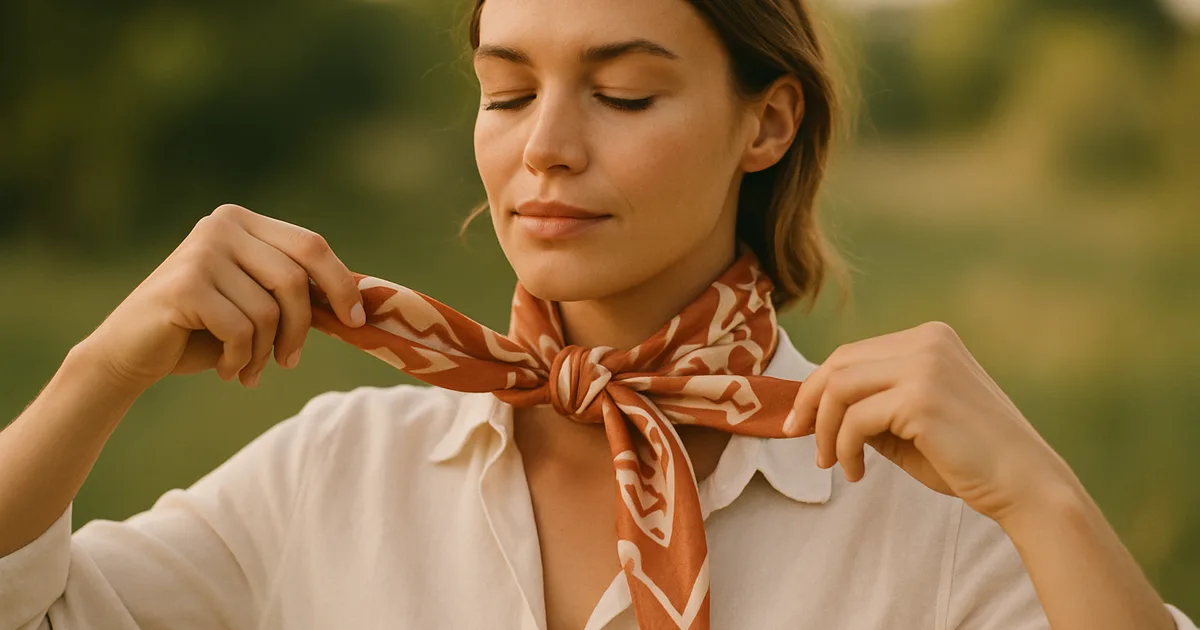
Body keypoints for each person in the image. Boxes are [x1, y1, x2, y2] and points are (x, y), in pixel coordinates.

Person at [0, 0, 1195, 628]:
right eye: (507, 91)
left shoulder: (923, 512)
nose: (547, 150)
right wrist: (97, 370)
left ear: (768, 123)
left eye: (623, 93)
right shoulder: (333, 475)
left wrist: (1042, 499)